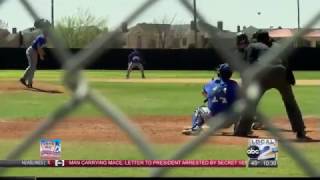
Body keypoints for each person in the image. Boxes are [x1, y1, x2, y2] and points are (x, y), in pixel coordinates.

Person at [233, 30, 312, 140]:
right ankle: (300, 132)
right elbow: (286, 63)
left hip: (263, 74)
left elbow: (249, 64)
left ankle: (242, 130)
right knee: (290, 102)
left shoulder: (253, 46)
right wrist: (289, 77)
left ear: (257, 39)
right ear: (268, 38)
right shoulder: (277, 46)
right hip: (281, 72)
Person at [182, 63, 240, 135]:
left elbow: (204, 93)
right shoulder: (234, 84)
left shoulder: (212, 83)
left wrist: (212, 96)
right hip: (228, 121)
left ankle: (196, 128)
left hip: (212, 121)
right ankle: (240, 129)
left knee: (199, 110)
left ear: (219, 73)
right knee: (241, 108)